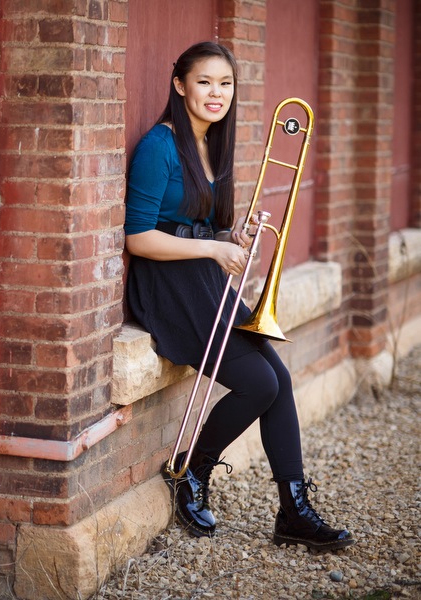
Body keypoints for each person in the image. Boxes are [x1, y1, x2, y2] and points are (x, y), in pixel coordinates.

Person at [123, 41, 354, 552]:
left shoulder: (212, 145)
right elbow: (137, 237)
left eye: (225, 84)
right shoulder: (159, 146)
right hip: (167, 286)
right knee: (257, 382)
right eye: (204, 81)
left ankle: (293, 511)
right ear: (179, 84)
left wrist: (230, 238)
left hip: (202, 280)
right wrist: (209, 245)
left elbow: (198, 225)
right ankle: (189, 472)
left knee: (279, 378)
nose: (216, 93)